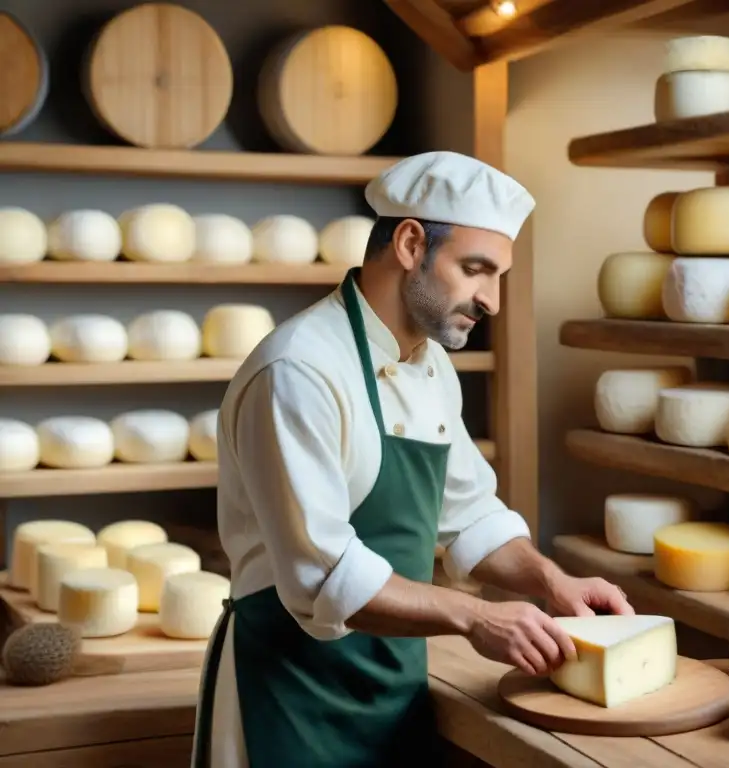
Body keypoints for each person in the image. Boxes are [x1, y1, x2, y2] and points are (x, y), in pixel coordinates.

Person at [190, 151, 634, 768]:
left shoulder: (429, 366)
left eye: (498, 275)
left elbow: (469, 515)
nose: (493, 301)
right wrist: (476, 616)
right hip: (290, 691)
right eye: (476, 270)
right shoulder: (299, 371)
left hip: (391, 682)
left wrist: (553, 583)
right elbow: (324, 576)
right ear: (408, 244)